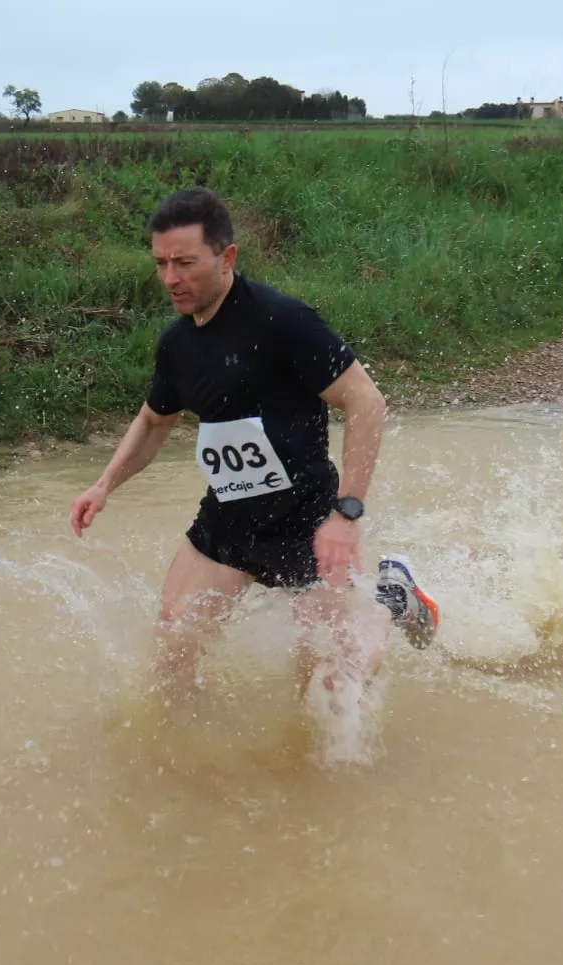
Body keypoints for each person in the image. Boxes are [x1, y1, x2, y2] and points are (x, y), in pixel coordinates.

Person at [68, 187, 439, 715]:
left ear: (227, 257)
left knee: (336, 686)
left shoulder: (282, 321)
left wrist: (347, 513)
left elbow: (367, 402)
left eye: (185, 263)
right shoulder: (177, 343)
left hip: (305, 524)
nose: (170, 278)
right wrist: (104, 484)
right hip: (228, 523)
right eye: (160, 264)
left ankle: (391, 597)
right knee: (169, 668)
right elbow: (153, 421)